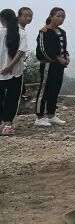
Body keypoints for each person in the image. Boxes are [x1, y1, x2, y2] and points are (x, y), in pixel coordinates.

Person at [35, 7, 69, 128]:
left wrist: (66, 56)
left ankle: (51, 114)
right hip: (48, 64)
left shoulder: (62, 32)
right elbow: (43, 49)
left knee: (55, 89)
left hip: (59, 66)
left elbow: (63, 48)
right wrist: (58, 58)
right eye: (58, 16)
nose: (61, 19)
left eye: (63, 17)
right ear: (51, 16)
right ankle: (39, 117)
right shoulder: (44, 31)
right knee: (45, 89)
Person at [0, 7, 31, 136]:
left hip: (1, 72)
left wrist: (6, 67)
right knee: (12, 99)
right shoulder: (21, 33)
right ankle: (7, 126)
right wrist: (10, 66)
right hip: (15, 72)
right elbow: (21, 52)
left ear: (2, 20)